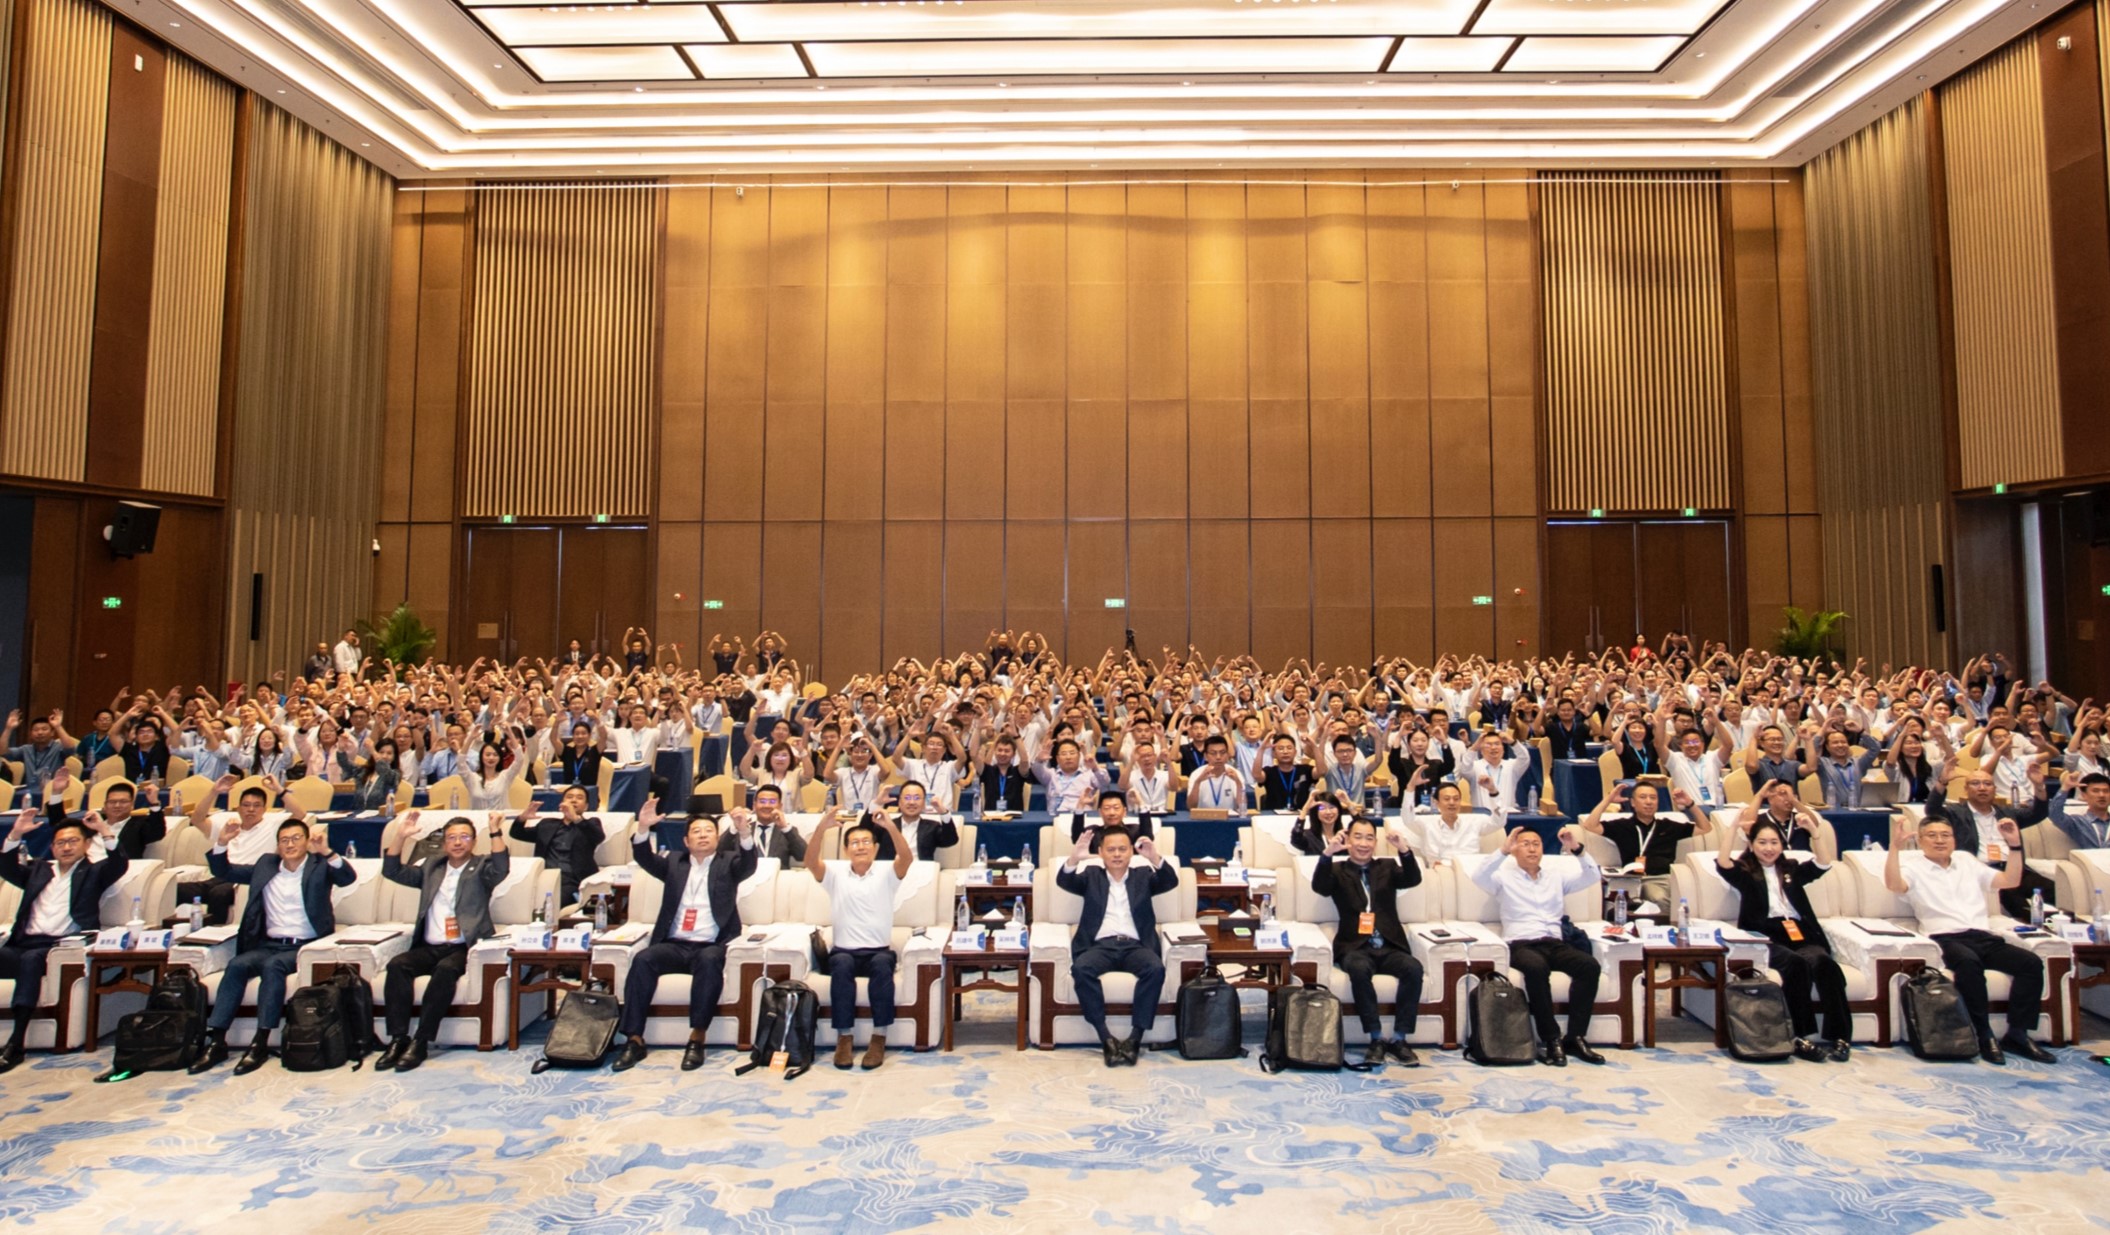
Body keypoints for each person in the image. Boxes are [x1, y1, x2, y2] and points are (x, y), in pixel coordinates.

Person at [189, 817, 357, 1075]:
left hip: (303, 946)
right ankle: (217, 1040)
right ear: (278, 845)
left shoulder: (319, 865)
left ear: (306, 842)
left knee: (273, 966)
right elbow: (224, 871)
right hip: (268, 943)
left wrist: (326, 851)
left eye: (296, 838)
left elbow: (347, 877)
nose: (290, 844)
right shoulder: (266, 865)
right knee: (236, 965)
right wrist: (222, 842)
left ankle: (260, 1041)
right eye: (284, 840)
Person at [1883, 813, 2054, 1064]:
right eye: (1932, 835)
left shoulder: (1966, 861)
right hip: (1945, 938)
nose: (1940, 840)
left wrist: (2015, 845)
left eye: (1945, 835)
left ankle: (2018, 1034)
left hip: (1982, 935)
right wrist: (1895, 848)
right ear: (1919, 840)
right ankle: (1983, 1033)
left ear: (1954, 839)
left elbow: (2010, 881)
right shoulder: (1912, 868)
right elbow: (1894, 885)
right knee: (1968, 963)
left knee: (2030, 963)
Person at [612, 800, 760, 1071]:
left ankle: (697, 1038)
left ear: (717, 838)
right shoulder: (674, 863)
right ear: (686, 840)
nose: (703, 835)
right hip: (675, 944)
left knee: (709, 960)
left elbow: (749, 865)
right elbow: (644, 858)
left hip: (710, 944)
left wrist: (744, 832)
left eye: (709, 831)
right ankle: (634, 1040)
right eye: (696, 831)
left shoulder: (728, 862)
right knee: (643, 959)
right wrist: (643, 827)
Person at [375, 811, 513, 1073]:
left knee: (446, 970)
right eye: (452, 837)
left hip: (463, 946)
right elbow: (392, 871)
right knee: (397, 965)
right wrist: (400, 837)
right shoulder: (432, 866)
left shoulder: (481, 867)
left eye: (464, 837)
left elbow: (501, 868)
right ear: (444, 842)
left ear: (474, 841)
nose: (458, 842)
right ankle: (398, 1038)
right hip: (429, 946)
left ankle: (421, 1041)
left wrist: (495, 830)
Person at [1714, 817, 1851, 1062]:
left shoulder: (1791, 869)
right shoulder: (1746, 872)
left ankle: (1840, 1036)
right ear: (1752, 844)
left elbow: (1823, 863)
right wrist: (1732, 828)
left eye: (1774, 842)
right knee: (1796, 965)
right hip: (1767, 935)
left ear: (1781, 844)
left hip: (1800, 932)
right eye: (1762, 842)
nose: (1769, 848)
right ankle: (1799, 1037)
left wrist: (1814, 831)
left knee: (1825, 964)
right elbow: (1724, 863)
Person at [1468, 824, 1606, 1066]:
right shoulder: (1503, 877)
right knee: (1536, 968)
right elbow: (1479, 876)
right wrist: (1502, 849)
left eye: (1536, 844)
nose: (1532, 849)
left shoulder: (1555, 876)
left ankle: (1575, 1037)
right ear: (1514, 850)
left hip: (1554, 942)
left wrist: (1576, 848)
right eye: (1525, 844)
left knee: (1589, 965)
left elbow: (1593, 876)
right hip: (1521, 944)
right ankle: (1551, 1038)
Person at [0, 810, 126, 1071]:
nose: (66, 847)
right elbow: (6, 867)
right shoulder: (38, 870)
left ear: (87, 844)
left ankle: (16, 1044)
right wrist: (15, 833)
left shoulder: (94, 872)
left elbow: (118, 864)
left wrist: (104, 830)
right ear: (52, 847)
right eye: (60, 843)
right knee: (23, 957)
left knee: (31, 960)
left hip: (57, 947)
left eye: (73, 841)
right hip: (22, 944)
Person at [1055, 822, 1181, 1067]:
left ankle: (1134, 1039)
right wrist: (1074, 858)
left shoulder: (1143, 876)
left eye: (1122, 849)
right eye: (1111, 850)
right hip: (1100, 946)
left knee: (1155, 969)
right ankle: (1106, 1039)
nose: (1117, 855)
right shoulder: (1091, 875)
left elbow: (1170, 881)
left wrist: (1154, 857)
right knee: (1081, 969)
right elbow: (1065, 881)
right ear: (1100, 852)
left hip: (1136, 946)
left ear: (1131, 852)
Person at [806, 807, 914, 1071]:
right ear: (846, 850)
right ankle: (844, 1038)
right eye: (854, 843)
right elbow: (810, 861)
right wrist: (821, 828)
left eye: (866, 842)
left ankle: (879, 1038)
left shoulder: (887, 873)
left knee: (882, 966)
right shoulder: (835, 874)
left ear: (875, 848)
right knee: (840, 965)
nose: (861, 846)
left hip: (878, 951)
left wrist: (890, 826)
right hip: (844, 951)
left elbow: (907, 858)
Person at [1311, 815, 1424, 1068]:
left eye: (1369, 838)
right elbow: (1320, 887)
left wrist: (1404, 849)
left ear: (1376, 842)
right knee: (1359, 970)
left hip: (1389, 945)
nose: (1363, 843)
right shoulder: (1338, 870)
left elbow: (1412, 879)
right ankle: (1375, 1038)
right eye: (1358, 837)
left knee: (1414, 968)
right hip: (1355, 946)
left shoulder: (1387, 866)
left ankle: (1400, 1039)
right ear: (1348, 840)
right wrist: (1327, 853)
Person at [1918, 767, 2053, 918]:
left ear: (1995, 789)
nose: (1982, 788)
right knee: (2017, 902)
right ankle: (2040, 927)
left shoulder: (2007, 813)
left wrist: (2039, 786)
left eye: (1987, 784)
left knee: (2054, 890)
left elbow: (2038, 813)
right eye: (1975, 783)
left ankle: (2066, 925)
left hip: (2012, 868)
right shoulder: (1955, 813)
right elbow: (1932, 810)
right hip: (1982, 871)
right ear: (1966, 789)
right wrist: (1942, 782)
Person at [1581, 782, 1709, 916]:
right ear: (1633, 802)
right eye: (1643, 797)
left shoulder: (1668, 826)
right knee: (1657, 898)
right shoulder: (1622, 826)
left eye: (1653, 798)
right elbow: (1590, 825)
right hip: (1640, 879)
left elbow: (1705, 828)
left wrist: (1690, 804)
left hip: (1668, 878)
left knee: (1695, 895)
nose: (1649, 802)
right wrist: (1608, 800)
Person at [508, 788, 605, 907]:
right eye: (569, 797)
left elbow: (598, 837)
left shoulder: (591, 824)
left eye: (579, 798)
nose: (574, 800)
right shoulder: (547, 824)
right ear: (561, 803)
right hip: (543, 877)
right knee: (518, 901)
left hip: (571, 880)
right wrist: (522, 818)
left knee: (550, 903)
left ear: (586, 807)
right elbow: (517, 834)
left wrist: (575, 818)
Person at [1408, 777, 1503, 866]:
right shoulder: (1427, 823)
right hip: (1439, 871)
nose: (1452, 802)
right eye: (1447, 799)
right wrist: (1410, 788)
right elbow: (1408, 818)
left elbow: (1499, 821)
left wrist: (1493, 791)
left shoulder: (1474, 822)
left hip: (1468, 871)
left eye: (1456, 799)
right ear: (1436, 803)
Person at [867, 781, 959, 863]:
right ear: (899, 802)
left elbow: (950, 841)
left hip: (920, 871)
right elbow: (863, 832)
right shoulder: (886, 825)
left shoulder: (932, 826)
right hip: (889, 872)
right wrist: (876, 804)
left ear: (924, 803)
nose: (911, 802)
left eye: (917, 798)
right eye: (907, 798)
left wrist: (943, 812)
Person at [746, 785, 808, 867]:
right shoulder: (744, 829)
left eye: (772, 802)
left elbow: (805, 856)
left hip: (777, 874)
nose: (767, 806)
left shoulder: (786, 831)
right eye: (762, 801)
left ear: (780, 806)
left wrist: (785, 828)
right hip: (749, 875)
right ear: (754, 806)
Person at [1185, 734, 1248, 813]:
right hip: (1203, 818)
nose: (1218, 757)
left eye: (1222, 752)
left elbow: (1242, 807)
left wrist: (1238, 783)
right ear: (1205, 756)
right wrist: (1197, 782)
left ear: (1227, 755)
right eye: (1213, 753)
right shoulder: (1196, 775)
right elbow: (1190, 806)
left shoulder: (1235, 774)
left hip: (1229, 818)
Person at [1255, 734, 1315, 812]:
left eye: (1289, 748)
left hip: (1301, 814)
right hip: (1273, 815)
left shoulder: (1305, 770)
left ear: (1295, 752)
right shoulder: (1269, 771)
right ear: (1274, 753)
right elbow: (1257, 776)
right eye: (1281, 748)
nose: (1285, 752)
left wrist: (1314, 746)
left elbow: (1322, 771)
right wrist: (1261, 750)